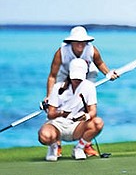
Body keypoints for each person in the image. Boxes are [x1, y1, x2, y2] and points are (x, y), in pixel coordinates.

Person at [45, 26, 118, 157]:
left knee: (85, 109)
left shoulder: (92, 50)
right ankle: (57, 144)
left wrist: (108, 73)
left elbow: (100, 63)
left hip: (85, 74)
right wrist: (49, 96)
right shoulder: (61, 52)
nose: (80, 44)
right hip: (64, 76)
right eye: (77, 41)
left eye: (83, 41)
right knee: (59, 108)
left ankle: (85, 145)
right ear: (71, 42)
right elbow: (52, 76)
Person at [38, 58, 105, 161]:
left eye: (79, 79)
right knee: (44, 136)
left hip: (77, 126)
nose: (76, 81)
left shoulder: (89, 87)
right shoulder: (57, 87)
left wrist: (86, 116)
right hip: (57, 125)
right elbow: (50, 114)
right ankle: (54, 146)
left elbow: (93, 111)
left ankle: (79, 148)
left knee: (98, 123)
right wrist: (60, 114)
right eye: (74, 78)